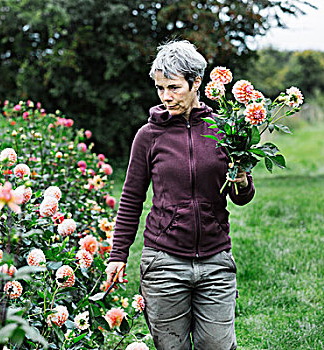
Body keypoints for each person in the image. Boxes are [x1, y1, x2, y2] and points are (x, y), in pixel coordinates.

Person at [105, 40, 255, 349]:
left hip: (215, 259)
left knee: (217, 345)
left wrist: (241, 180)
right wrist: (118, 255)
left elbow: (242, 195)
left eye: (173, 87)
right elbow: (132, 198)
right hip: (164, 262)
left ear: (196, 82)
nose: (166, 96)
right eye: (160, 88)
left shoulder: (224, 129)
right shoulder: (149, 136)